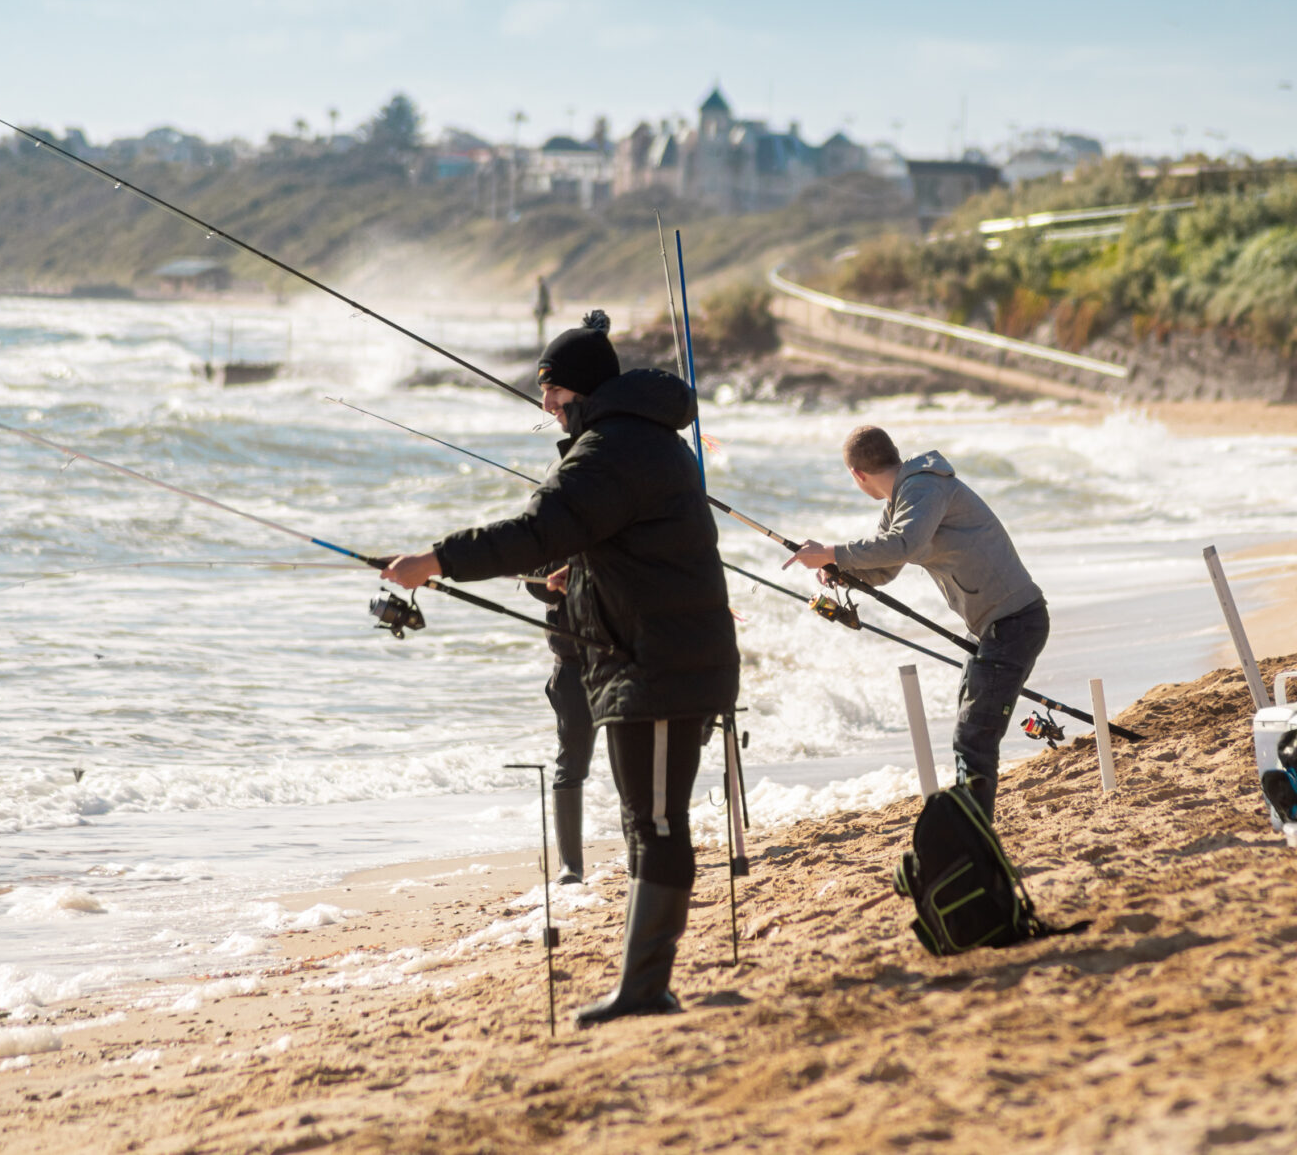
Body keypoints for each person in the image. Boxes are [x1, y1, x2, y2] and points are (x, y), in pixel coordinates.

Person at [382, 311, 738, 1026]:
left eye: (550, 390)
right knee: (646, 820)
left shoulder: (612, 450)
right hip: (646, 661)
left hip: (664, 663)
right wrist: (574, 577)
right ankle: (641, 984)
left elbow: (538, 529)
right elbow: (623, 542)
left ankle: (647, 988)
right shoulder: (636, 442)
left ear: (579, 389)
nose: (543, 403)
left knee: (659, 822)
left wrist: (436, 560)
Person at [782, 425, 1046, 820]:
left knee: (974, 737)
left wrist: (832, 551)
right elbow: (887, 567)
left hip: (1015, 622)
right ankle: (972, 825)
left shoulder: (922, 488)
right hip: (999, 625)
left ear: (857, 474)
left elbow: (903, 545)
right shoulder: (906, 497)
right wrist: (838, 568)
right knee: (970, 731)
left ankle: (975, 832)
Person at [525, 561, 592, 884]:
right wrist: (565, 573)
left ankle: (644, 852)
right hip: (571, 666)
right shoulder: (554, 517)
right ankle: (571, 865)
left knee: (637, 759)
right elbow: (534, 582)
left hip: (626, 661)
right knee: (571, 761)